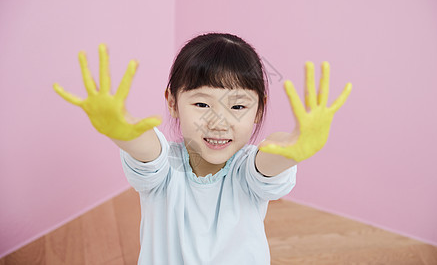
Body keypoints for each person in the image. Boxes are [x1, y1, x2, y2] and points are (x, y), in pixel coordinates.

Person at [53, 32, 352, 264]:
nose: (219, 122)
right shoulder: (165, 166)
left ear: (259, 111)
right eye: (201, 103)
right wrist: (122, 132)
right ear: (172, 102)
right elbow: (147, 150)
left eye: (238, 106)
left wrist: (293, 146)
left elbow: (268, 162)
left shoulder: (248, 170)